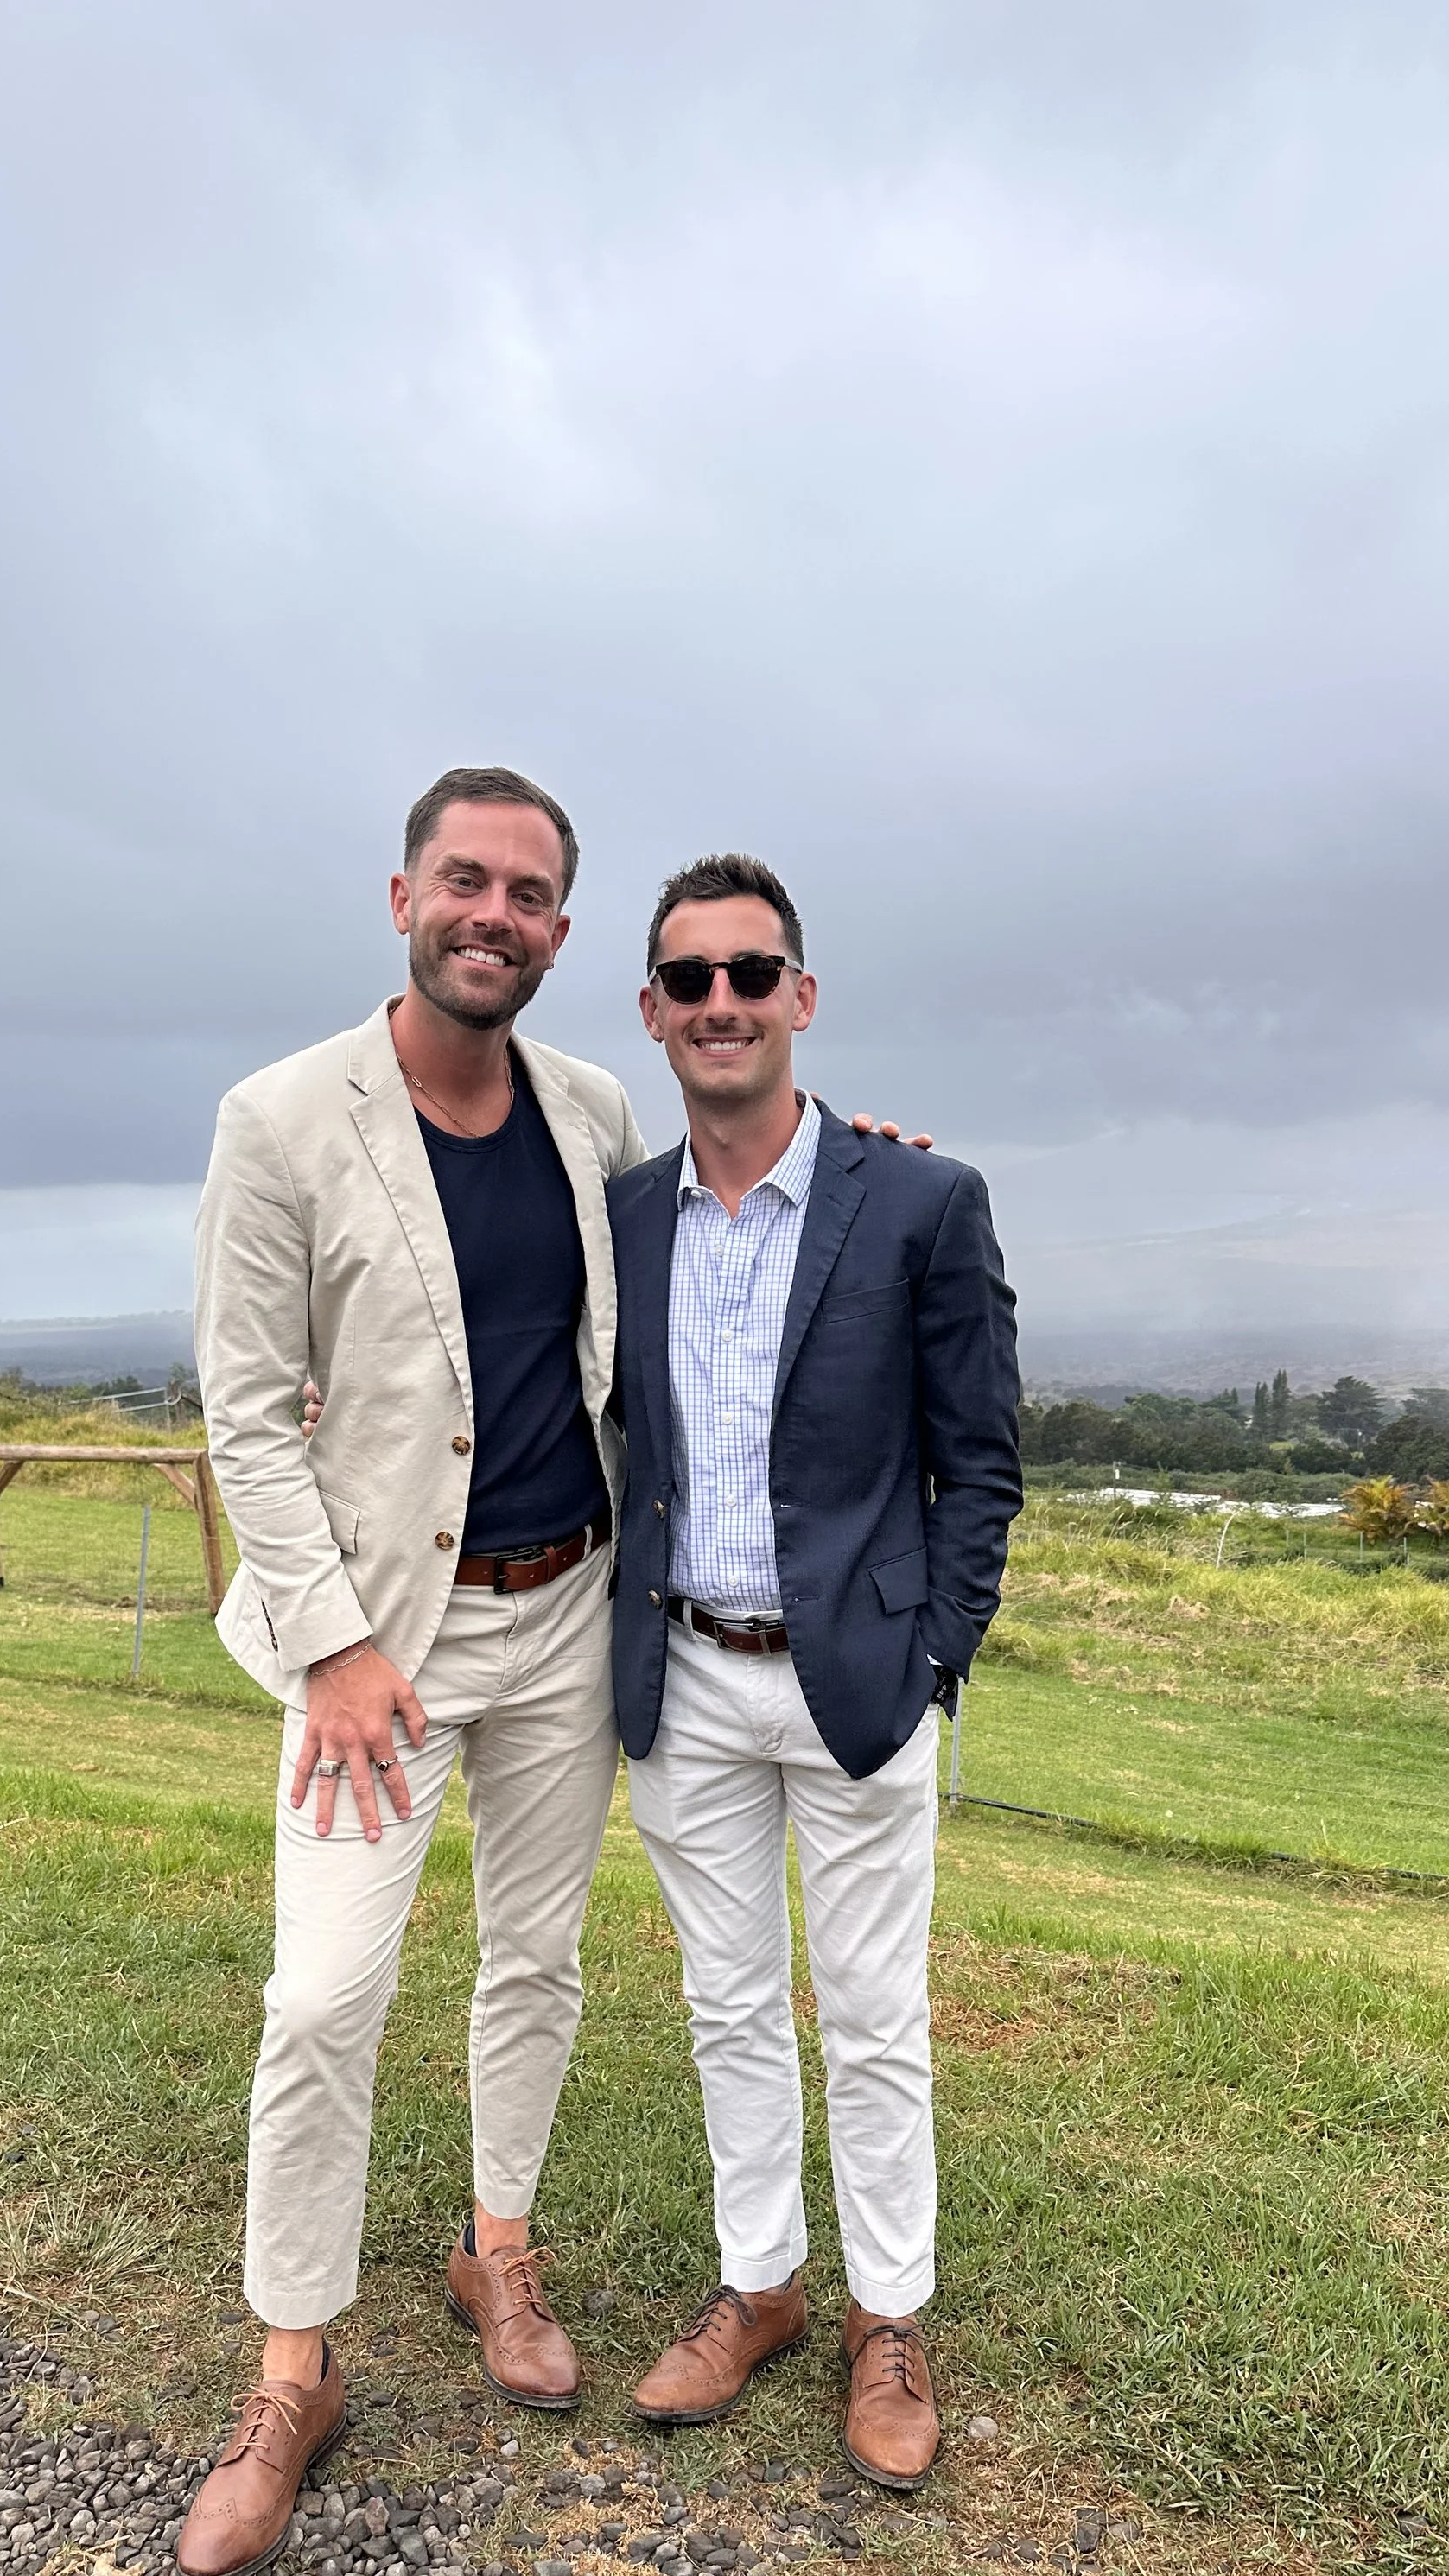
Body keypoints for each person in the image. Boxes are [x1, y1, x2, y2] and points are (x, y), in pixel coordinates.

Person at [178, 776, 915, 2576]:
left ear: (562, 938)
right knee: (322, 1993)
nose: (490, 911)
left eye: (526, 892)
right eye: (463, 879)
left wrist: (860, 1157)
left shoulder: (591, 1113)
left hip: (570, 1615)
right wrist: (335, 1644)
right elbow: (240, 1413)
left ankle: (493, 2244)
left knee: (539, 1960)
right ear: (405, 894)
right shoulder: (278, 1121)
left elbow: (760, 1182)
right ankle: (292, 2372)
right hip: (379, 1652)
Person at [607, 853, 1024, 2490]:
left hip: (857, 1675)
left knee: (872, 2015)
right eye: (691, 980)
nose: (723, 1003)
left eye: (751, 974)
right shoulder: (625, 1211)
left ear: (802, 996)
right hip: (683, 1680)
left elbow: (982, 1462)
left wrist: (936, 1652)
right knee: (725, 2006)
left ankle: (889, 2321)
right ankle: (760, 2287)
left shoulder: (919, 1198)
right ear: (652, 1009)